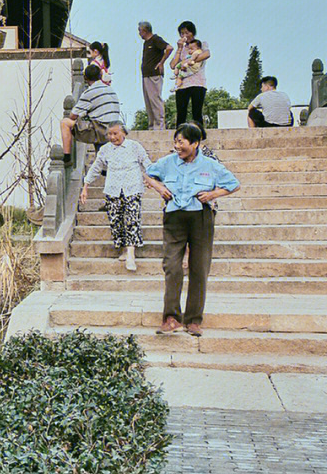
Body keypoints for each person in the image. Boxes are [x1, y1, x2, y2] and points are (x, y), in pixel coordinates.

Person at [145, 123, 239, 336]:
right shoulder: (167, 162)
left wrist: (213, 195)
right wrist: (159, 187)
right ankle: (171, 317)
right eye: (175, 141)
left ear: (195, 143)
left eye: (182, 142)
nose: (177, 146)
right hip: (174, 216)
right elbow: (148, 174)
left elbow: (234, 184)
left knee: (199, 268)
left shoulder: (210, 165)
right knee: (171, 265)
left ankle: (194, 320)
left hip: (201, 217)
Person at [79, 122, 150, 271]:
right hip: (113, 189)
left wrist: (151, 178)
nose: (112, 137)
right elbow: (96, 167)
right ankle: (124, 249)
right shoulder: (105, 150)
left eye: (115, 134)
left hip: (132, 187)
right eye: (109, 134)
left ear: (123, 133)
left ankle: (131, 253)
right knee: (115, 221)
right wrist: (86, 185)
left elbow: (146, 163)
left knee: (132, 219)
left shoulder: (134, 146)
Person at [60, 65, 124, 161]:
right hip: (115, 127)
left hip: (101, 130)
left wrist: (83, 114)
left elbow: (73, 115)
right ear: (100, 75)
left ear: (85, 78)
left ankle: (67, 156)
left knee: (65, 122)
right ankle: (103, 166)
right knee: (94, 121)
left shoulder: (89, 93)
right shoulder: (110, 89)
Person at [170, 22, 210, 130]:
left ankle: (200, 136)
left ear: (193, 32)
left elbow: (206, 54)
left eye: (187, 33)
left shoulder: (201, 44)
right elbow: (173, 65)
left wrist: (187, 61)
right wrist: (179, 49)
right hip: (183, 84)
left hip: (198, 83)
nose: (185, 36)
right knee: (181, 113)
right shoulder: (182, 49)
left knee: (196, 112)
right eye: (182, 33)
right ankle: (179, 137)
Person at [139, 22, 173, 130]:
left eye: (140, 31)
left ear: (144, 30)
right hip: (146, 74)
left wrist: (161, 62)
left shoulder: (156, 39)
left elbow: (169, 48)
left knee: (155, 99)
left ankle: (159, 125)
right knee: (148, 101)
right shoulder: (146, 43)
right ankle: (152, 125)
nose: (139, 33)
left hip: (154, 74)